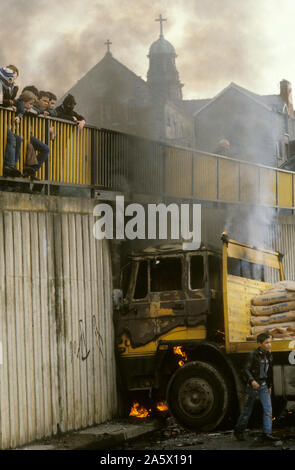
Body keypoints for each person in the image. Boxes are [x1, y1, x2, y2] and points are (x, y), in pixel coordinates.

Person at [234, 333, 279, 443]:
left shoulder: (269, 355)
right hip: (253, 386)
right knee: (247, 409)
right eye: (267, 343)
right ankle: (239, 430)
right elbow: (245, 369)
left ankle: (267, 433)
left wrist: (270, 386)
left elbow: (269, 372)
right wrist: (252, 381)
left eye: (270, 342)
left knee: (268, 410)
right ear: (260, 344)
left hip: (264, 385)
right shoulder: (253, 355)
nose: (269, 345)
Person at [3, 90, 37, 177]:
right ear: (23, 101)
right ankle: (9, 165)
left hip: (5, 126)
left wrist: (19, 115)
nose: (31, 106)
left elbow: (22, 109)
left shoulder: (18, 104)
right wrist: (15, 110)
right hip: (2, 124)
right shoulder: (16, 102)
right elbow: (20, 108)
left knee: (18, 138)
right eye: (30, 104)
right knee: (12, 138)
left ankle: (14, 164)